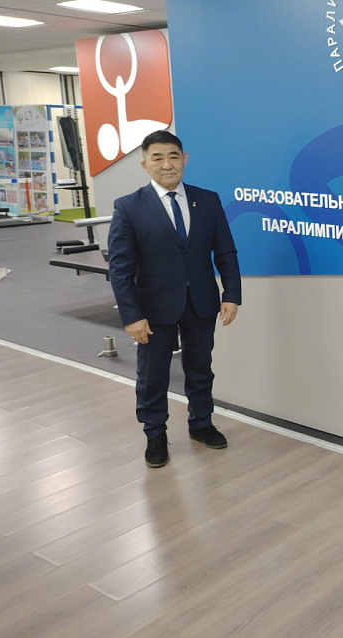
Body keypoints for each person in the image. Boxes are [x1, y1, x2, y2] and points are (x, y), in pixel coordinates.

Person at [108, 130, 241, 468]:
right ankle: (155, 434)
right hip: (152, 309)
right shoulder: (128, 207)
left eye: (173, 156)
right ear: (144, 164)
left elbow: (225, 251)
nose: (167, 164)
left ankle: (201, 423)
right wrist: (131, 316)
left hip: (201, 302)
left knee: (200, 368)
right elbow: (120, 269)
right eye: (157, 158)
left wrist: (231, 294)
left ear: (185, 159)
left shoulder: (207, 200)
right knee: (153, 376)